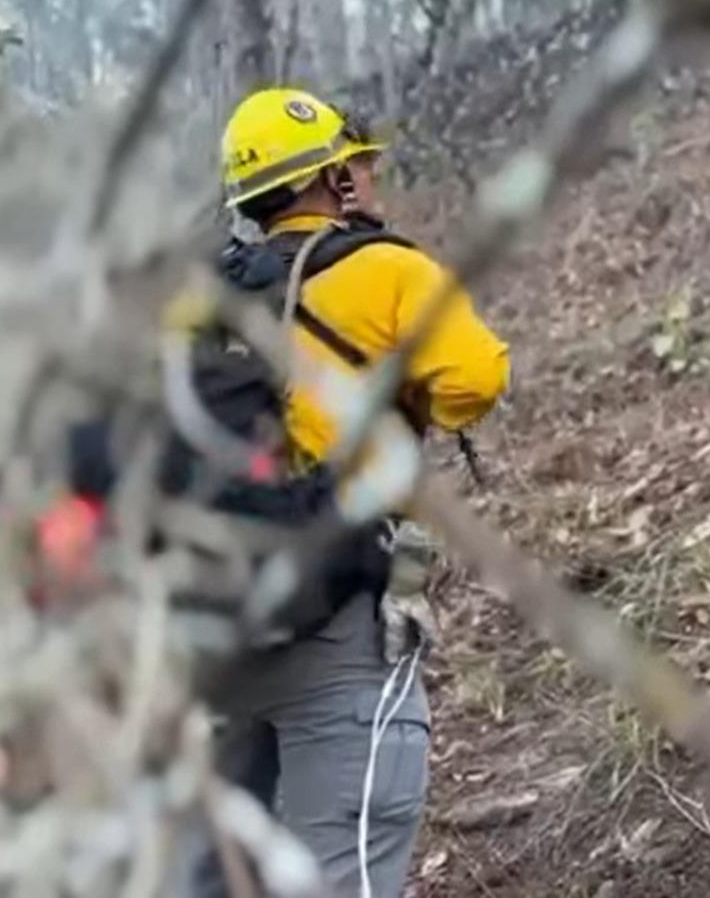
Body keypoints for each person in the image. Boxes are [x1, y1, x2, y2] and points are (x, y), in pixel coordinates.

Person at [191, 87, 510, 897]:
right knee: (345, 870)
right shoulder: (389, 270)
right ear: (332, 180)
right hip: (341, 619)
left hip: (209, 629)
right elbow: (474, 382)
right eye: (358, 163)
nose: (371, 176)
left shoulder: (195, 296)